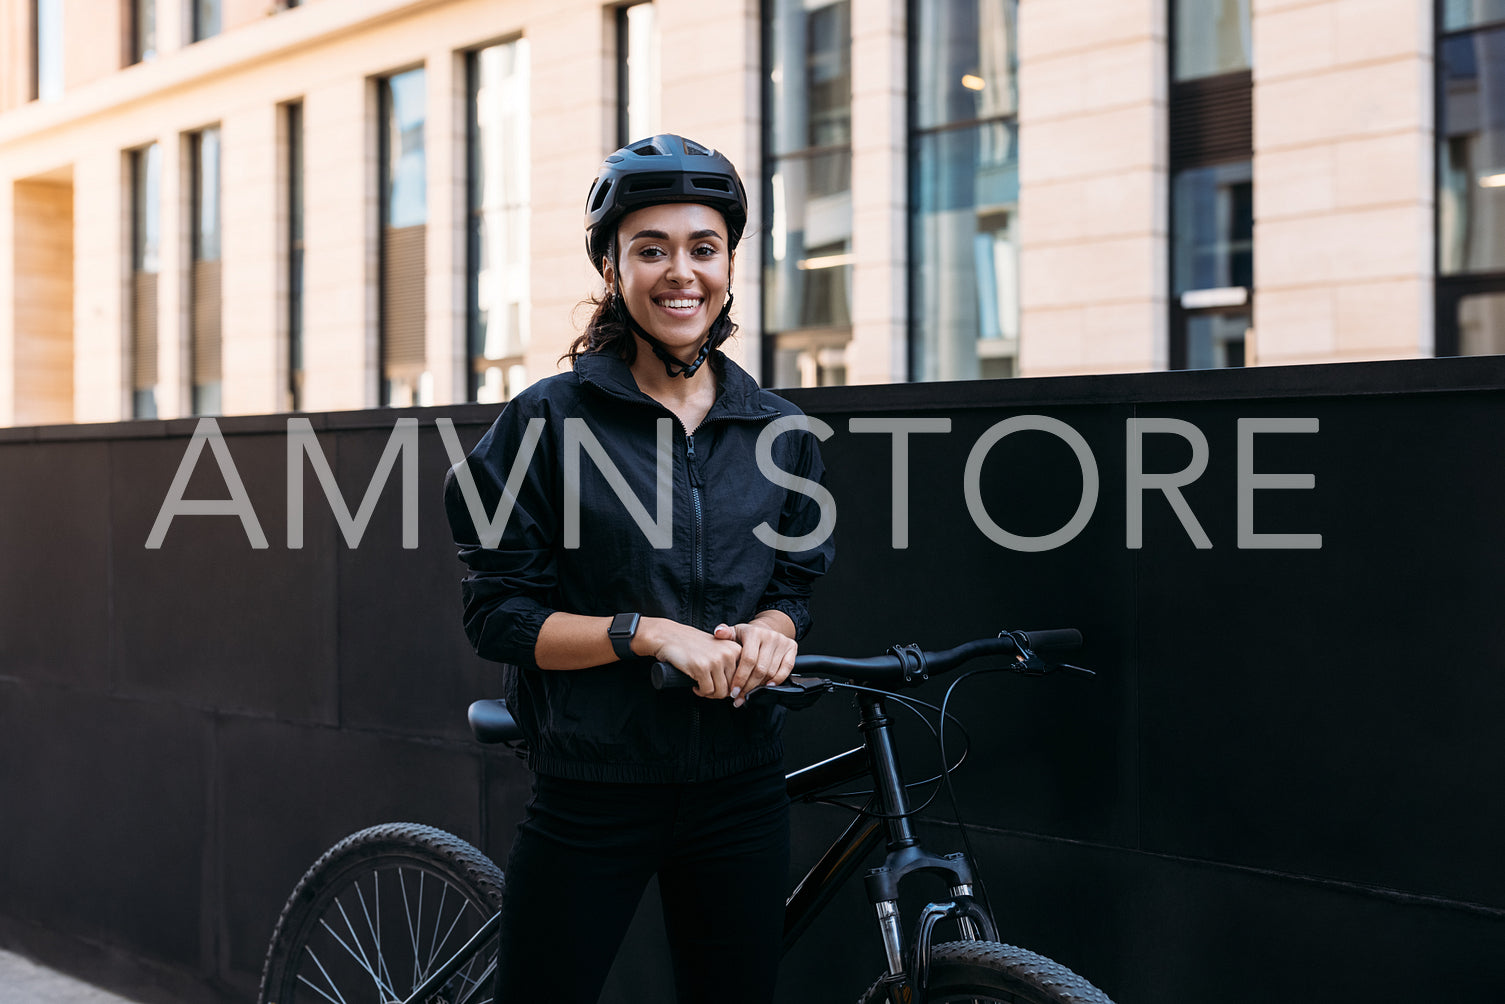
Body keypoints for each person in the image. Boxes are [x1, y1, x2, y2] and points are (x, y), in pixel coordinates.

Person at [444, 134, 835, 1004]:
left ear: (730, 262)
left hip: (740, 785)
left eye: (702, 248)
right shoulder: (547, 420)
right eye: (650, 250)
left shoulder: (781, 432)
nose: (680, 273)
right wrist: (646, 634)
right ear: (613, 268)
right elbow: (499, 616)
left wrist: (773, 632)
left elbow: (792, 590)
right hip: (595, 788)